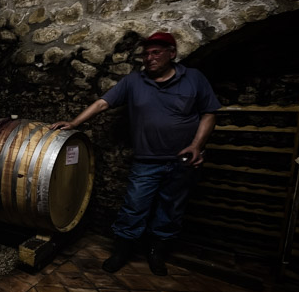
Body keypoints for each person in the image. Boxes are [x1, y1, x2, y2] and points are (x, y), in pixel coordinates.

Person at [50, 32, 220, 275]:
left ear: (172, 53)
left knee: (171, 209)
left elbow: (209, 112)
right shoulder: (133, 81)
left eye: (156, 53)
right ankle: (121, 252)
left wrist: (196, 145)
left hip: (183, 160)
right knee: (134, 207)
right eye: (146, 54)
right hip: (147, 160)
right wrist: (75, 123)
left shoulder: (193, 78)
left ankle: (156, 253)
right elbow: (102, 103)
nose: (149, 58)